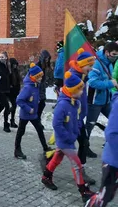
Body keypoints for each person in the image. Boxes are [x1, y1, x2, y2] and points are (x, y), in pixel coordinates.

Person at [41, 71, 95, 203]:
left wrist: (76, 131)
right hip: (65, 140)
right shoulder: (63, 105)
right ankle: (83, 192)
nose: (82, 93)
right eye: (80, 90)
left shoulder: (74, 102)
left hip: (69, 138)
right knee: (77, 165)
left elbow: (76, 119)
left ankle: (46, 177)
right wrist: (67, 137)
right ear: (72, 91)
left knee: (57, 158)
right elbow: (56, 124)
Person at [69, 48, 97, 184]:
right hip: (73, 120)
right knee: (65, 147)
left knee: (82, 144)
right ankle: (48, 169)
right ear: (81, 64)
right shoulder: (73, 78)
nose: (91, 69)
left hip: (80, 119)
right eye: (89, 66)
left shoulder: (82, 76)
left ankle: (81, 171)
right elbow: (68, 100)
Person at [85, 93, 118, 207]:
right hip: (113, 161)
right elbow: (111, 133)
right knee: (105, 195)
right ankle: (92, 204)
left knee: (109, 194)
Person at [86, 42, 118, 158]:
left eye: (117, 55)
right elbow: (92, 82)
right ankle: (85, 147)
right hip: (94, 101)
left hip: (106, 101)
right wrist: (110, 83)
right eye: (113, 54)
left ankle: (112, 143)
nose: (115, 57)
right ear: (106, 52)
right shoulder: (96, 63)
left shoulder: (108, 63)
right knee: (89, 125)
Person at [14, 63, 50, 159]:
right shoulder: (28, 87)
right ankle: (17, 150)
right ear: (34, 77)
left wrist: (36, 100)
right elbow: (19, 100)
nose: (41, 79)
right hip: (26, 115)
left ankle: (45, 147)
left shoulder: (35, 85)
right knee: (21, 132)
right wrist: (29, 109)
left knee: (39, 130)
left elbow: (33, 96)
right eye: (39, 77)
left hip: (33, 114)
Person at [36, 50, 52, 129]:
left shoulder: (44, 66)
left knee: (42, 104)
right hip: (38, 88)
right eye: (46, 58)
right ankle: (37, 121)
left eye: (48, 59)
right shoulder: (38, 66)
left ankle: (37, 120)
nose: (47, 60)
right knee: (40, 104)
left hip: (42, 88)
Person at [8, 58, 20, 128]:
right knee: (14, 105)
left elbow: (18, 81)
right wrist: (11, 86)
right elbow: (8, 82)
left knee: (14, 106)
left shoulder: (16, 71)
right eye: (14, 64)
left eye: (16, 64)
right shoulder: (10, 72)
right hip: (11, 92)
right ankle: (8, 113)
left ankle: (12, 120)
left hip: (15, 91)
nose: (15, 66)